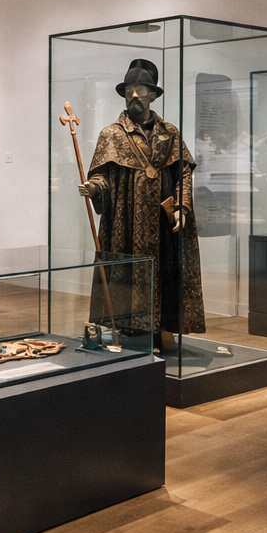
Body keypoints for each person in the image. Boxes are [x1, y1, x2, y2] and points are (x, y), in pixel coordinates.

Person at [77, 58, 205, 349]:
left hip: (163, 223)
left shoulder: (170, 133)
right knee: (126, 272)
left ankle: (165, 328)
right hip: (126, 224)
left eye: (141, 90)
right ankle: (128, 329)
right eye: (130, 90)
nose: (135, 96)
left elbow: (183, 172)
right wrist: (95, 188)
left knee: (165, 273)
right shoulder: (112, 134)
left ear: (153, 95)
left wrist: (183, 207)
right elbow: (101, 176)